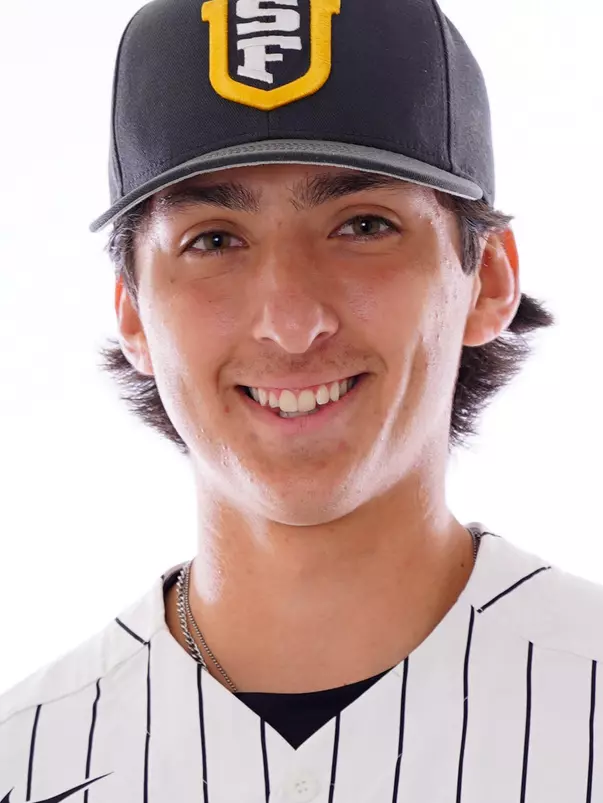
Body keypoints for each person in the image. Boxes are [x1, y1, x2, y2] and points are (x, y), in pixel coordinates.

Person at [1, 0, 600, 800]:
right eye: (213, 239)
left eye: (362, 225)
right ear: (134, 313)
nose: (290, 323)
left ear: (486, 278)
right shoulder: (25, 761)